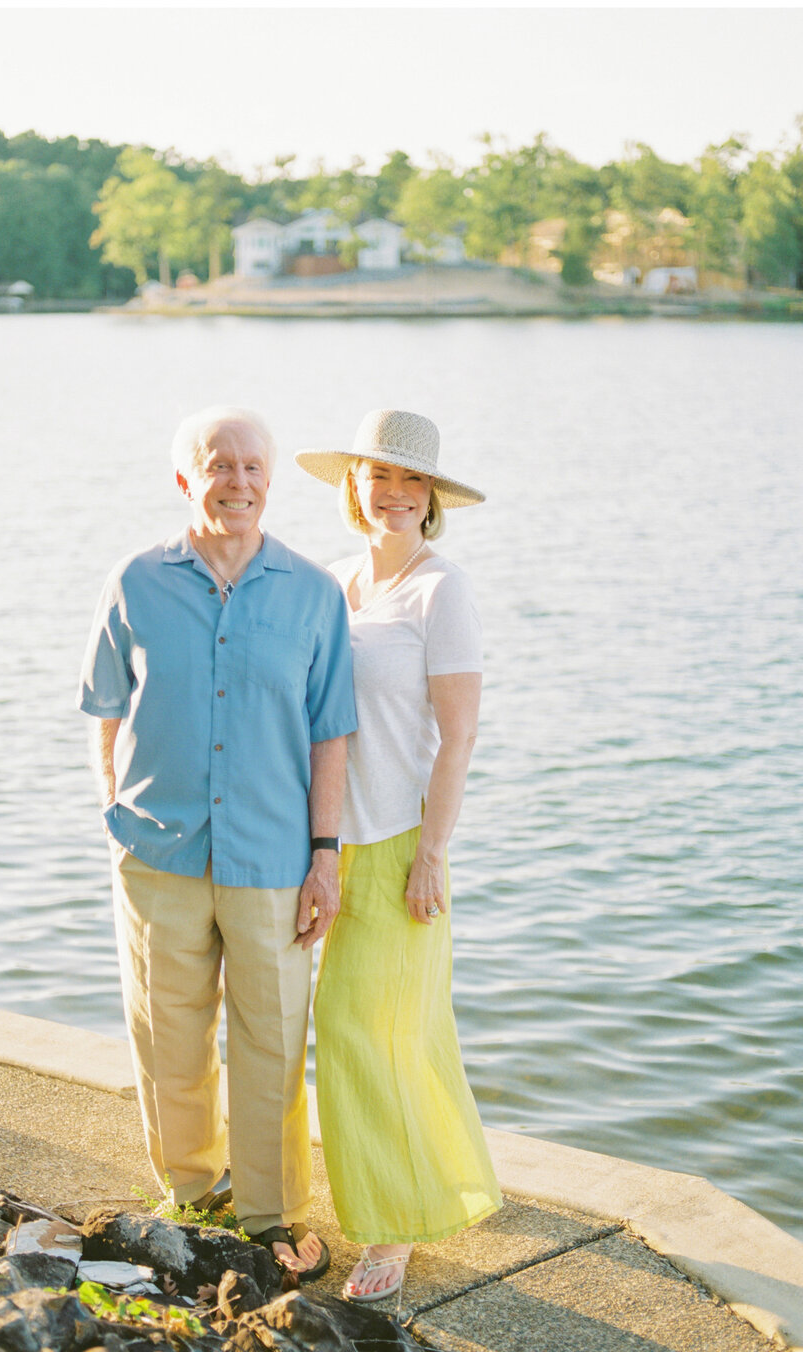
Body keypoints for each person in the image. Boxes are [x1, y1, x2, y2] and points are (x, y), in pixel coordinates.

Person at [77, 406, 356, 1280]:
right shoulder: (134, 581)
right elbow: (103, 709)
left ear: (270, 480)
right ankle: (193, 1192)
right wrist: (112, 806)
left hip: (274, 856)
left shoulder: (312, 593)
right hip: (157, 852)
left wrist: (325, 855)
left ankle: (272, 1214)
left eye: (251, 468)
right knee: (169, 1030)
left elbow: (331, 736)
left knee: (273, 1038)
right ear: (184, 479)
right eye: (218, 466)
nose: (237, 482)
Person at [295, 409, 502, 1303]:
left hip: (399, 847)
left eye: (409, 481)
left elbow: (458, 739)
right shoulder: (337, 584)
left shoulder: (439, 590)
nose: (390, 493)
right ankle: (439, 1185)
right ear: (353, 488)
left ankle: (386, 1230)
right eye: (376, 477)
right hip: (332, 842)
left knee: (361, 1031)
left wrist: (432, 854)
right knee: (396, 1033)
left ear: (430, 498)